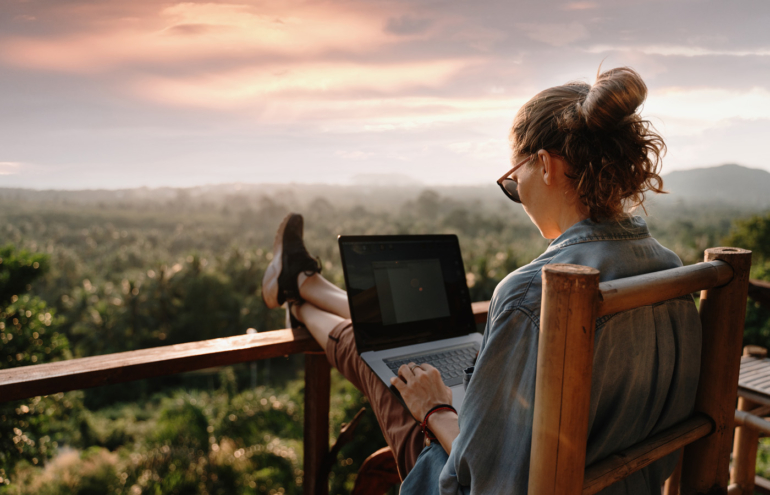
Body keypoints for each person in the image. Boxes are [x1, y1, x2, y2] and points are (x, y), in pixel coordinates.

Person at [261, 66, 701, 494]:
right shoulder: (670, 270)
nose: (518, 194)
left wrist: (435, 409)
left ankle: (298, 297)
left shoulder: (533, 294)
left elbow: (490, 481)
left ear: (545, 165)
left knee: (380, 354)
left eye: (514, 181)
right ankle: (303, 287)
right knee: (397, 342)